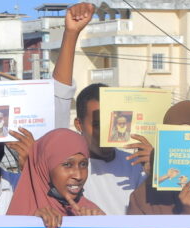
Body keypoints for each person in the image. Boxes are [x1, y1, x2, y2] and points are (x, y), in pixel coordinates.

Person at [50, 3, 146, 215]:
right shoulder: (67, 166)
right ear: (78, 124)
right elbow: (59, 95)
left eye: (111, 122)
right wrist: (71, 34)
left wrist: (155, 169)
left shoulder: (135, 165)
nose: (105, 132)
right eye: (96, 123)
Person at [7, 128, 104, 228]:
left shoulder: (92, 213)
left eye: (83, 164)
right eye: (67, 165)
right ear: (45, 167)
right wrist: (33, 222)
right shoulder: (21, 211)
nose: (78, 175)